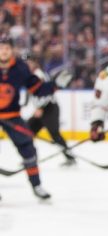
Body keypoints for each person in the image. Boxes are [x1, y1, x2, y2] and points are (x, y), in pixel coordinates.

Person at [0, 36, 56, 200]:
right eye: (1, 48)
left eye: (7, 48)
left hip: (12, 116)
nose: (4, 51)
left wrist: (55, 85)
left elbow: (36, 88)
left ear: (11, 50)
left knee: (29, 150)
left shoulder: (20, 68)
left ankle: (37, 185)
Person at [24, 54, 76, 166]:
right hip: (42, 109)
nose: (27, 65)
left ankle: (70, 157)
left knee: (54, 134)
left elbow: (48, 92)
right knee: (27, 132)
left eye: (29, 62)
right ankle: (30, 158)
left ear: (34, 62)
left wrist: (40, 108)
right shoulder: (29, 75)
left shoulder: (39, 75)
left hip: (50, 108)